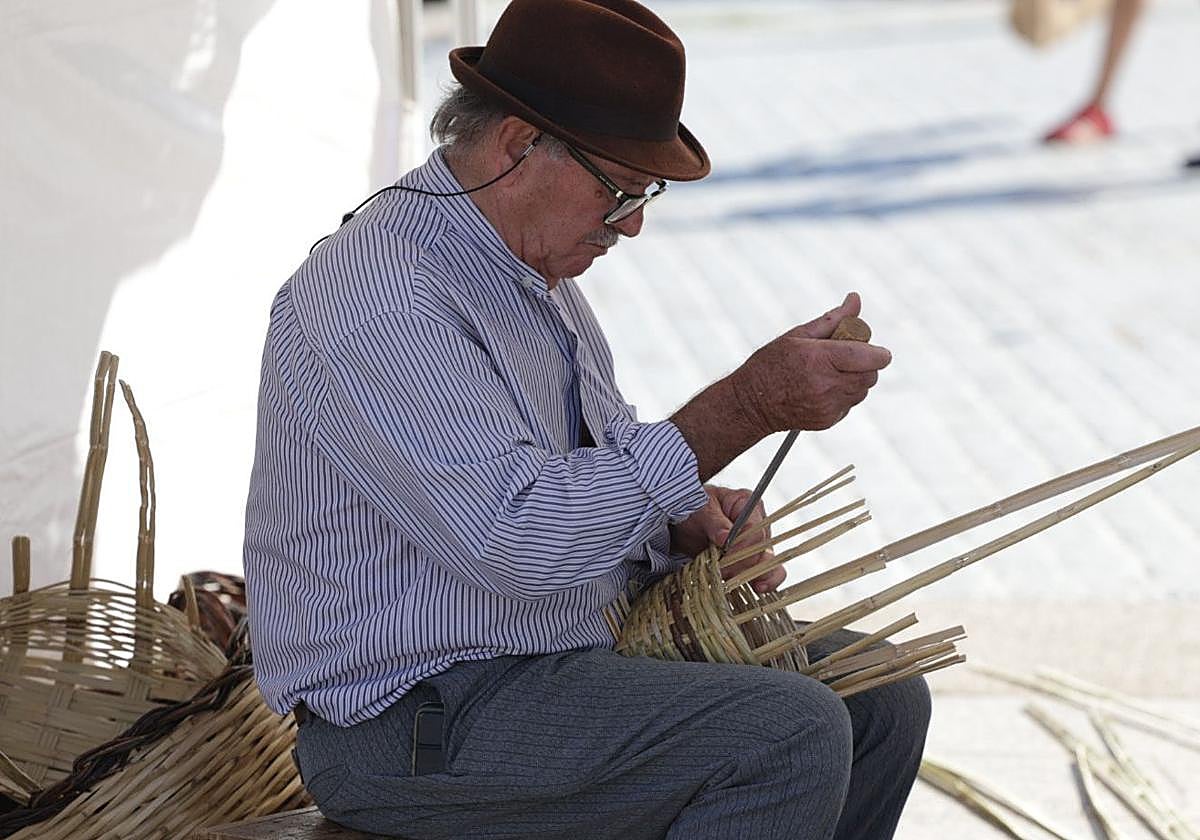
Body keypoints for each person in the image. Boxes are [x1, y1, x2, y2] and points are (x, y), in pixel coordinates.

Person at [243, 1, 930, 838]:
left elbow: (581, 484)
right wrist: (744, 406)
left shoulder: (531, 277)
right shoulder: (379, 293)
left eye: (647, 196)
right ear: (519, 144)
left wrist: (682, 522)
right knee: (782, 733)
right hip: (414, 721)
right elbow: (518, 542)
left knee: (880, 691)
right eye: (618, 189)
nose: (632, 223)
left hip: (551, 663)